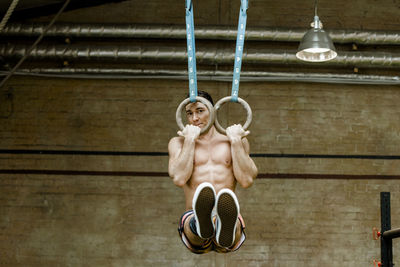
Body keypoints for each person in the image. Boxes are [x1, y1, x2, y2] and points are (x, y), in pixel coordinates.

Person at [168, 90, 258, 254]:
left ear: (213, 111)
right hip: (192, 216)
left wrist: (236, 142)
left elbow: (247, 180)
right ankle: (201, 225)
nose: (194, 118)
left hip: (227, 220)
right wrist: (189, 141)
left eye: (200, 111)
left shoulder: (234, 140)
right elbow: (179, 178)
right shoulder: (178, 142)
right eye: (189, 113)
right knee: (193, 222)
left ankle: (224, 230)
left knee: (232, 224)